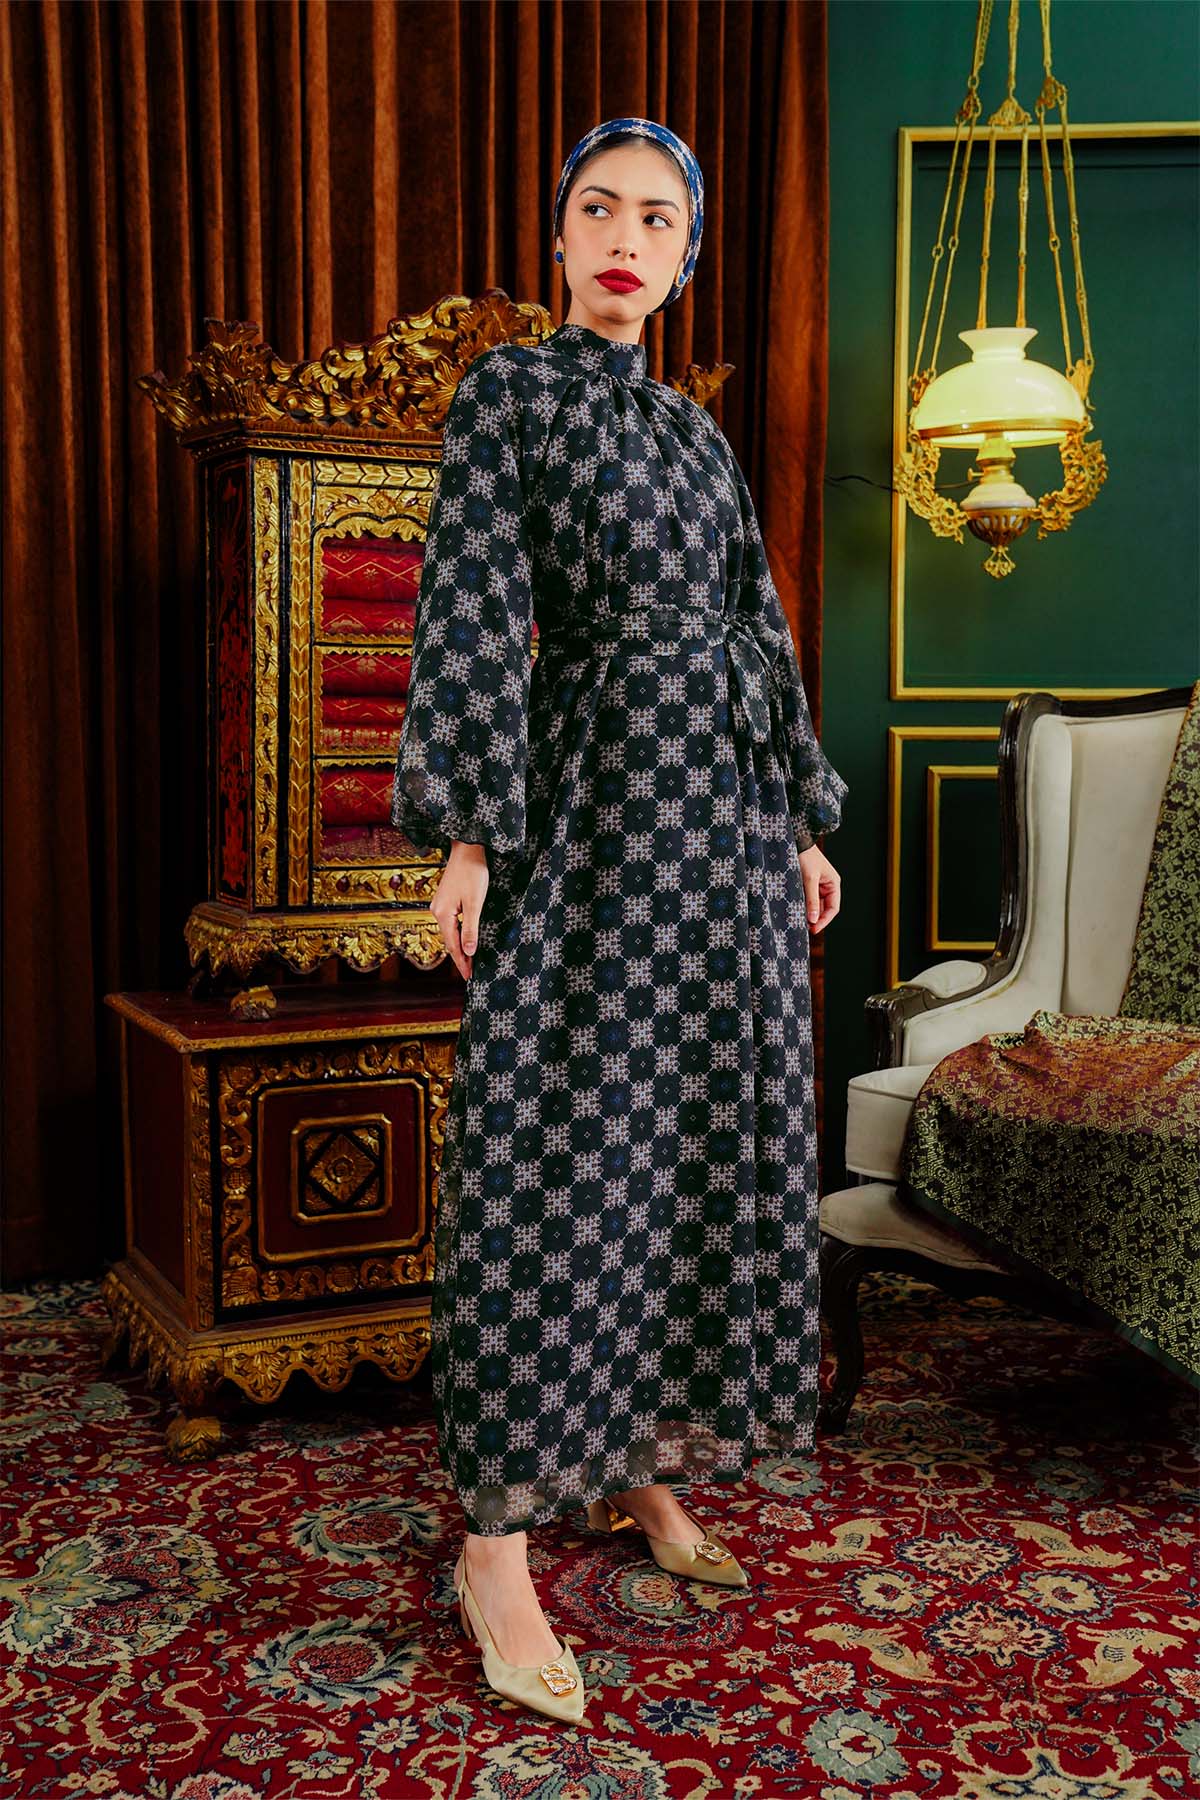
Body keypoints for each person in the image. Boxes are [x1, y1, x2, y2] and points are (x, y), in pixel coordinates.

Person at [391, 115, 848, 1722]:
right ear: (562, 232)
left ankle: (639, 1461)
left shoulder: (699, 435)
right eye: (600, 208)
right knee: (565, 1143)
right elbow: (470, 605)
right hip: (591, 810)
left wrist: (799, 814)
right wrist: (467, 835)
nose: (626, 239)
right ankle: (497, 1542)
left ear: (687, 254)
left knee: (695, 1136)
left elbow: (756, 619)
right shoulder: (509, 394)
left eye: (658, 218)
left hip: (725, 824)